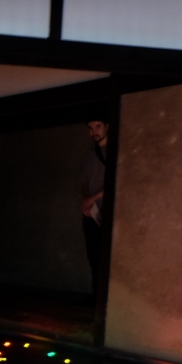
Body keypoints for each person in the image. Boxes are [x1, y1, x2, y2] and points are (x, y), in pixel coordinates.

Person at [79, 120, 109, 294]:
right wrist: (85, 201)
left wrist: (92, 198)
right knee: (93, 257)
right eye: (90, 128)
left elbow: (117, 182)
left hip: (107, 211)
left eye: (98, 126)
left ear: (107, 127)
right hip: (91, 212)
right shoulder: (91, 154)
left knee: (107, 259)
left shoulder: (115, 152)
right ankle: (96, 298)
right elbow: (84, 181)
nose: (94, 131)